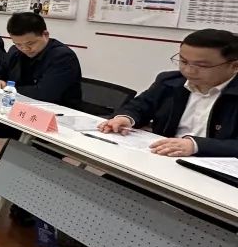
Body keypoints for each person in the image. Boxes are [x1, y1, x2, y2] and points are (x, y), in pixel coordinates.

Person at [99, 29, 238, 157]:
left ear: (234, 66)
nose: (189, 71)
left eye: (202, 66)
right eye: (183, 61)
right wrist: (126, 118)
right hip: (162, 156)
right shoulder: (170, 81)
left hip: (213, 164)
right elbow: (139, 106)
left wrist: (196, 146)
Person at [0, 12, 82, 108]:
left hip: (56, 112)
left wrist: (6, 88)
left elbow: (44, 93)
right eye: (18, 44)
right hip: (17, 106)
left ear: (45, 35)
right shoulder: (15, 51)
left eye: (30, 43)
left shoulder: (63, 57)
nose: (25, 49)